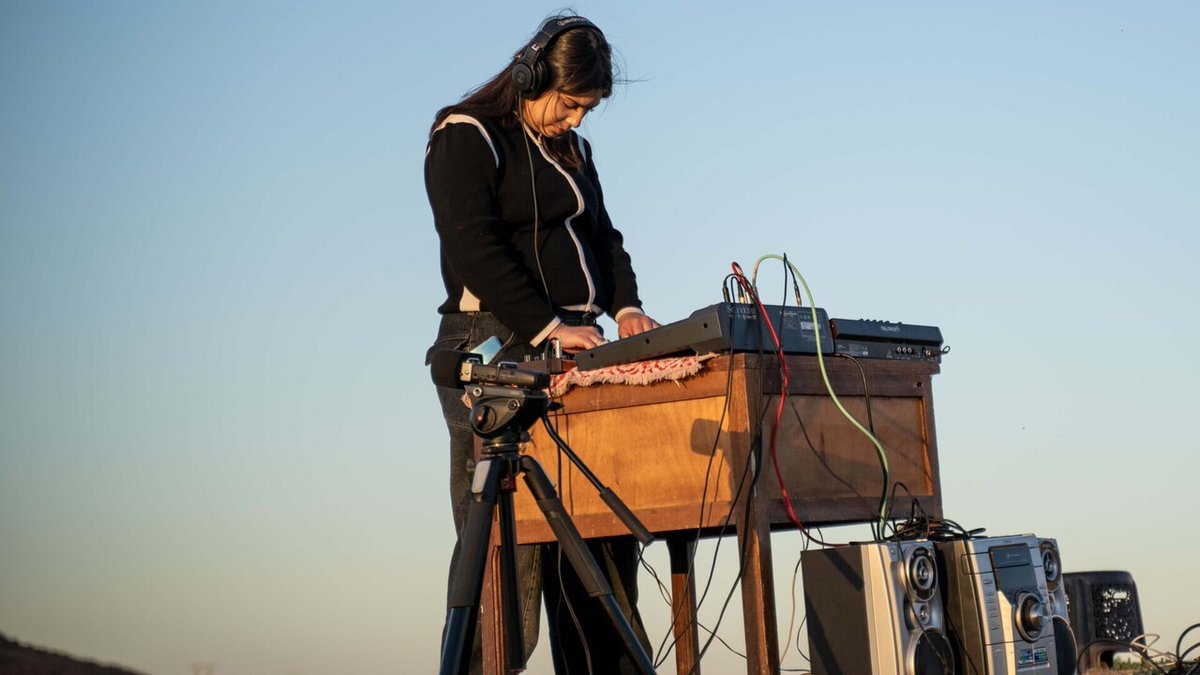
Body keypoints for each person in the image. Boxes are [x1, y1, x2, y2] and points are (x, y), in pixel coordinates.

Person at [424, 15, 659, 675]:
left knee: (597, 552)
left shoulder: (573, 152)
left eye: (588, 110)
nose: (577, 121)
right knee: (511, 562)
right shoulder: (464, 136)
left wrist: (627, 306)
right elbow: (474, 245)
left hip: (573, 358)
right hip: (494, 352)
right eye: (571, 103)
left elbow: (605, 239)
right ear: (531, 76)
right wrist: (548, 326)